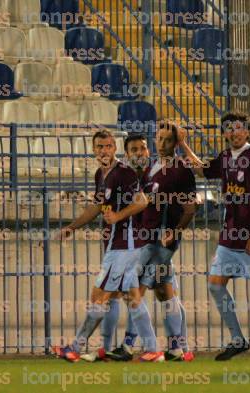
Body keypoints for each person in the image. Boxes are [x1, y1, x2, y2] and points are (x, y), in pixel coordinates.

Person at [178, 112, 250, 361]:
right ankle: (238, 340)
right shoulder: (226, 157)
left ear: (247, 132)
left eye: (239, 128)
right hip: (230, 235)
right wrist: (183, 144)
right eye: (229, 129)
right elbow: (203, 171)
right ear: (225, 133)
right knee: (215, 285)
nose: (234, 132)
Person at [52, 130, 163, 363]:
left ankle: (75, 347)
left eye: (108, 146)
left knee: (100, 295)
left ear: (115, 149)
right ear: (94, 150)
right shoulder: (100, 175)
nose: (104, 151)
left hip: (125, 244)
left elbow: (142, 201)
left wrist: (119, 215)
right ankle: (154, 350)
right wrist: (71, 228)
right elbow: (96, 208)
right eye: (99, 147)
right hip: (118, 243)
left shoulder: (124, 173)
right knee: (132, 297)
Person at [106, 125, 197, 362]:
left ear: (175, 143)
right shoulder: (150, 170)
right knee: (165, 291)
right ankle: (178, 347)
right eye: (159, 138)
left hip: (161, 242)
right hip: (147, 239)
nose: (162, 143)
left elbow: (191, 206)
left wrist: (174, 232)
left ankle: (129, 346)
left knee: (135, 287)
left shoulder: (181, 169)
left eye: (168, 140)